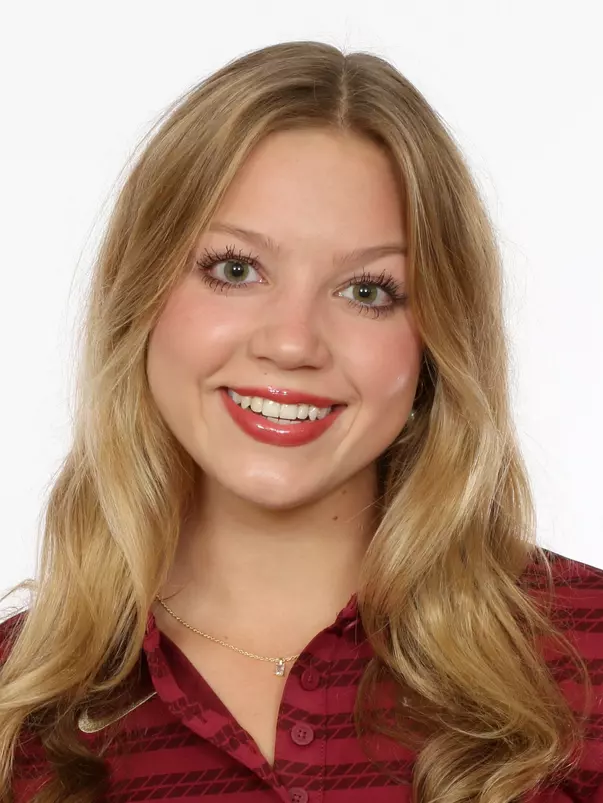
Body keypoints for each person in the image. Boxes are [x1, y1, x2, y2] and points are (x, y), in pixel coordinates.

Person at [0, 40, 602, 803]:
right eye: (235, 269)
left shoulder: (587, 647)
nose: (291, 342)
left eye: (366, 290)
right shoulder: (17, 711)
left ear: (436, 338)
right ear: (140, 295)